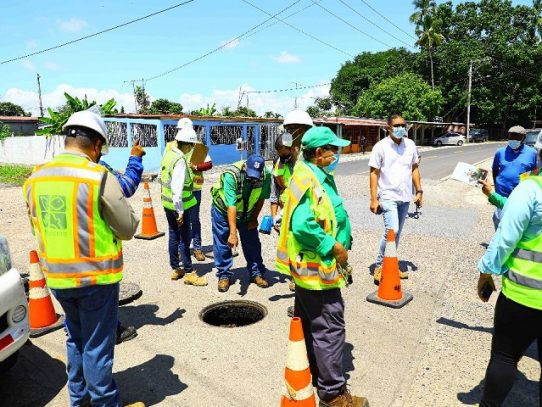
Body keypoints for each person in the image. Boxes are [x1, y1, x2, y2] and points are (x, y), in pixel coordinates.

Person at [23, 110, 141, 407]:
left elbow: (38, 226)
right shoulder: (97, 176)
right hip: (96, 278)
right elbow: (126, 228)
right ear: (97, 144)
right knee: (98, 348)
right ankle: (105, 403)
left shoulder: (35, 178)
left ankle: (80, 401)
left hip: (58, 279)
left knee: (75, 340)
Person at [275, 126, 367, 407]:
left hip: (311, 271)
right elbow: (303, 226)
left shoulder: (316, 175)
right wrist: (334, 247)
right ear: (318, 153)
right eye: (333, 150)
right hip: (318, 270)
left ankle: (315, 372)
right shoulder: (308, 179)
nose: (337, 154)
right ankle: (332, 394)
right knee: (329, 328)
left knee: (311, 323)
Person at [477, 174, 542, 406]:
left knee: (504, 358)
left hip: (523, 296)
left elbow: (505, 237)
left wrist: (486, 271)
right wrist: (494, 197)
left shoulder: (531, 189)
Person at [100, 139, 145, 345]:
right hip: (95, 260)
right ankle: (112, 331)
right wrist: (135, 158)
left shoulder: (45, 173)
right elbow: (126, 186)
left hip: (57, 268)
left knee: (76, 331)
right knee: (102, 301)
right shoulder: (97, 172)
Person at [369, 113, 422, 283]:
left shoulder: (411, 145)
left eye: (403, 125)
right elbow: (374, 173)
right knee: (392, 230)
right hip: (387, 195)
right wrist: (373, 199)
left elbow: (414, 168)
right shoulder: (381, 147)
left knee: (396, 235)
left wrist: (419, 191)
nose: (401, 128)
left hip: (405, 196)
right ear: (388, 128)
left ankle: (390, 265)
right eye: (397, 125)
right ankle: (379, 266)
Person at [210, 154, 271, 292]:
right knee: (223, 241)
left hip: (247, 212)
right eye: (250, 174)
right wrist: (233, 233)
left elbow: (261, 198)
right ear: (245, 166)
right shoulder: (231, 174)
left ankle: (256, 273)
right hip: (223, 210)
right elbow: (231, 205)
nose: (253, 178)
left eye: (256, 175)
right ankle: (224, 275)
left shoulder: (266, 175)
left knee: (252, 242)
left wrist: (254, 218)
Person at [160, 119, 207, 286]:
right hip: (181, 206)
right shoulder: (180, 160)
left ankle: (175, 268)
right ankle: (188, 272)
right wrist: (180, 211)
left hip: (167, 204)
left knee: (173, 235)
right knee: (184, 239)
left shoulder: (169, 153)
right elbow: (177, 188)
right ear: (186, 144)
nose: (193, 148)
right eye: (191, 145)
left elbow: (161, 177)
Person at [491, 125, 537, 229]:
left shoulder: (532, 153)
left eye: (517, 137)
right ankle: (499, 242)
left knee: (517, 224)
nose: (513, 140)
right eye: (511, 137)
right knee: (498, 220)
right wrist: (496, 186)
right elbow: (494, 170)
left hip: (521, 196)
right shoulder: (500, 152)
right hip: (502, 194)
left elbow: (535, 172)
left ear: (523, 138)